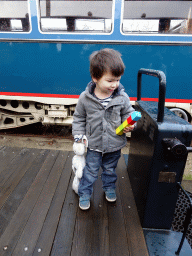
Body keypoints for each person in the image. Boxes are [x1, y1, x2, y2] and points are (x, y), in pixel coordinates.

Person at [72, 48, 135, 210]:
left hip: (114, 144)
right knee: (90, 171)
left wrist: (130, 124)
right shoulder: (85, 98)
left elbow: (128, 113)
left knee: (110, 169)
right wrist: (79, 137)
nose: (115, 84)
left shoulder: (122, 97)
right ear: (95, 78)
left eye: (118, 80)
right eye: (110, 80)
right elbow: (79, 118)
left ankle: (109, 188)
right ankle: (84, 192)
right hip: (93, 144)